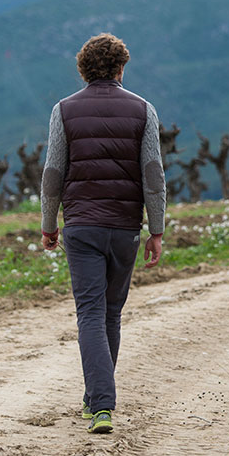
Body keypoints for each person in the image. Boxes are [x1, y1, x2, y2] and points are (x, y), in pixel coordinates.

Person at [40, 33, 166, 434]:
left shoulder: (63, 110)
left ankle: (100, 403)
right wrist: (156, 229)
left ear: (83, 69)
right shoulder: (144, 110)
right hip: (125, 228)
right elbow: (153, 175)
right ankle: (98, 399)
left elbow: (53, 173)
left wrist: (48, 224)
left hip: (80, 226)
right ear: (121, 68)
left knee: (90, 314)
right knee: (111, 313)